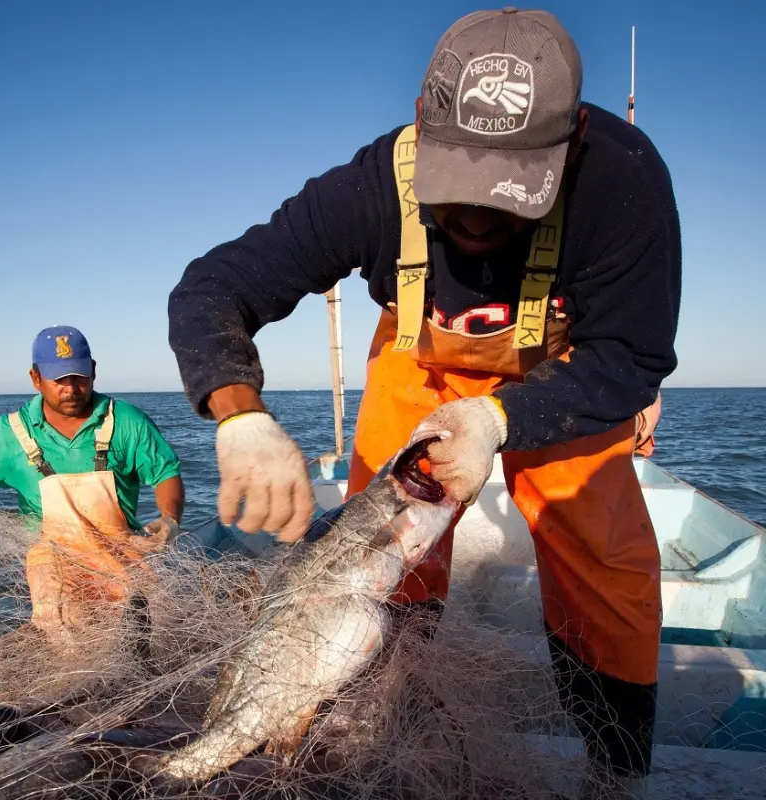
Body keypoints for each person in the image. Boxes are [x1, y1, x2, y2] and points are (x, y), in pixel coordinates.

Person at [166, 8, 678, 799]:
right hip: (421, 365)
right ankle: (371, 721)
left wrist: (497, 419)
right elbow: (214, 288)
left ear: (571, 142)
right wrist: (239, 413)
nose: (474, 218)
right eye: (457, 188)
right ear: (421, 124)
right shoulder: (370, 186)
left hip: (562, 380)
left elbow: (631, 355)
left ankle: (616, 776)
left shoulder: (624, 183)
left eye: (508, 195)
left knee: (604, 562)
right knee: (385, 557)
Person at [0, 325, 186, 647]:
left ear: (93, 371)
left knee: (144, 633)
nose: (70, 388)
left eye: (78, 377)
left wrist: (169, 519)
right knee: (68, 637)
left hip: (123, 553)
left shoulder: (126, 421)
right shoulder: (11, 433)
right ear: (36, 378)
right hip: (54, 564)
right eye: (58, 379)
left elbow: (166, 473)